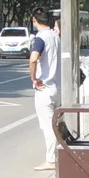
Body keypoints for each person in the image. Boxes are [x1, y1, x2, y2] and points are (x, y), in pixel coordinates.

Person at [28, 10, 61, 168]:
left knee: (48, 126)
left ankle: (51, 160)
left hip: (45, 88)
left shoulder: (40, 38)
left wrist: (34, 78)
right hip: (58, 87)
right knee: (57, 124)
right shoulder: (56, 36)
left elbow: (33, 59)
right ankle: (59, 155)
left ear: (34, 20)